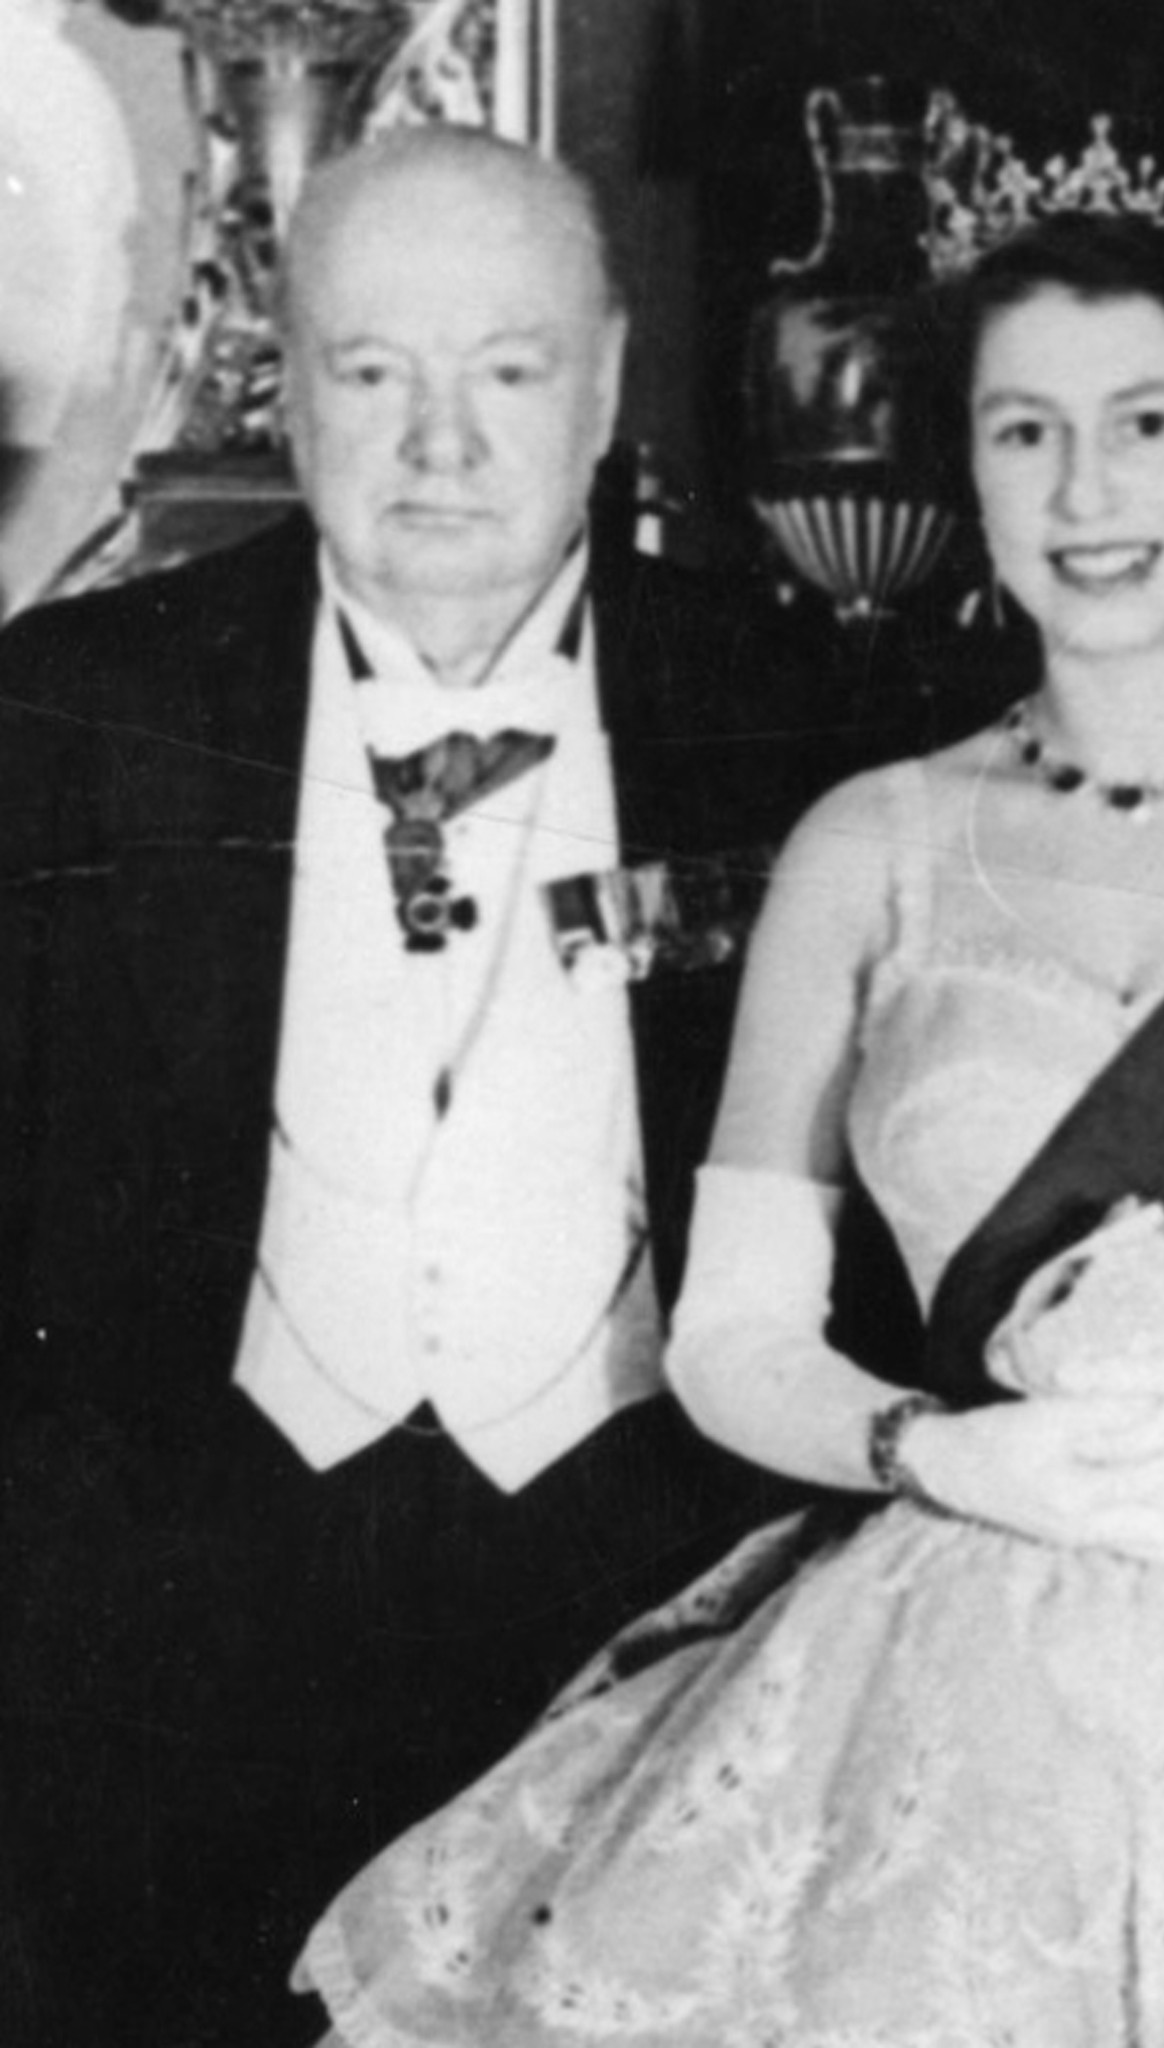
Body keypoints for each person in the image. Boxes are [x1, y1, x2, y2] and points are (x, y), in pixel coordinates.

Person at [295, 205, 1164, 2045]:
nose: (1085, 488)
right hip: (948, 1657)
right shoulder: (871, 845)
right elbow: (732, 1338)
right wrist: (939, 1452)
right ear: (970, 478)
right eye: (1024, 430)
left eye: (1145, 419)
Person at [0, 127, 908, 2048]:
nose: (441, 444)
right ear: (288, 379)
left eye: (505, 370)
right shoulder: (71, 707)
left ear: (604, 377)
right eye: (372, 371)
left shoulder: (805, 718)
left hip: (654, 1600)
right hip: (183, 1612)